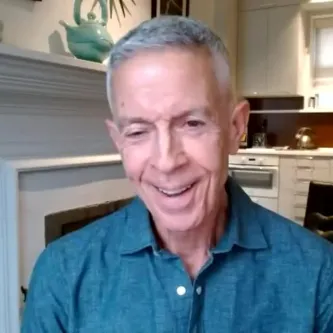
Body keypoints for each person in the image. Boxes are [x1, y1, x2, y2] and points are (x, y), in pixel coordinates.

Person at [21, 16, 333, 333]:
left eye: (192, 124)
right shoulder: (61, 274)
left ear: (236, 128)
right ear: (119, 142)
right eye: (139, 131)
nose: (167, 161)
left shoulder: (319, 274)